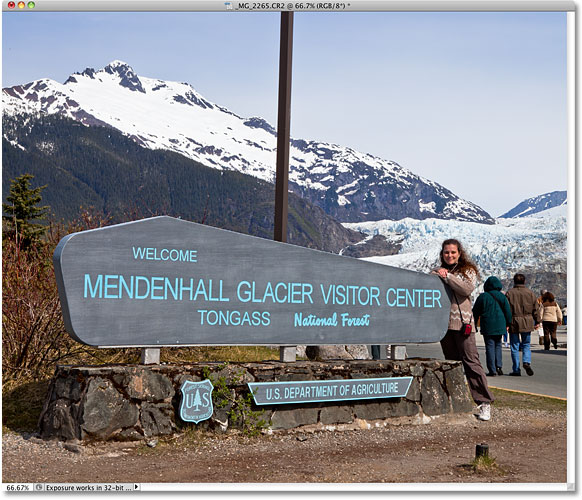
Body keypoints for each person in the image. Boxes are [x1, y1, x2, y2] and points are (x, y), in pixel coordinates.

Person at [431, 238, 494, 421]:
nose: (449, 255)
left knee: (471, 362)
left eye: (452, 252)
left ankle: (484, 402)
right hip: (444, 324)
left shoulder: (468, 271)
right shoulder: (438, 271)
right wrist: (438, 274)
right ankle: (455, 400)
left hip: (463, 324)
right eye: (446, 252)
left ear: (459, 253)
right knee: (452, 363)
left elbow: (466, 289)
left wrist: (447, 277)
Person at [473, 277, 512, 377]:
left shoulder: (482, 297)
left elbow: (475, 312)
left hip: (487, 325)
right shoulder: (502, 296)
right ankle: (499, 366)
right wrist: (508, 323)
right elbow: (508, 312)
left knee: (489, 346)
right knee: (498, 345)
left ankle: (492, 369)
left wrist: (474, 325)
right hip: (500, 324)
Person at [505, 274, 540, 376]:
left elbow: (507, 310)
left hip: (514, 321)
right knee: (526, 344)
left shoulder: (509, 293)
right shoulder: (530, 293)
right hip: (527, 320)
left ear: (514, 281)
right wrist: (537, 321)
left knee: (514, 346)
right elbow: (535, 308)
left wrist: (507, 322)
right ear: (524, 281)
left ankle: (516, 369)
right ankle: (526, 361)